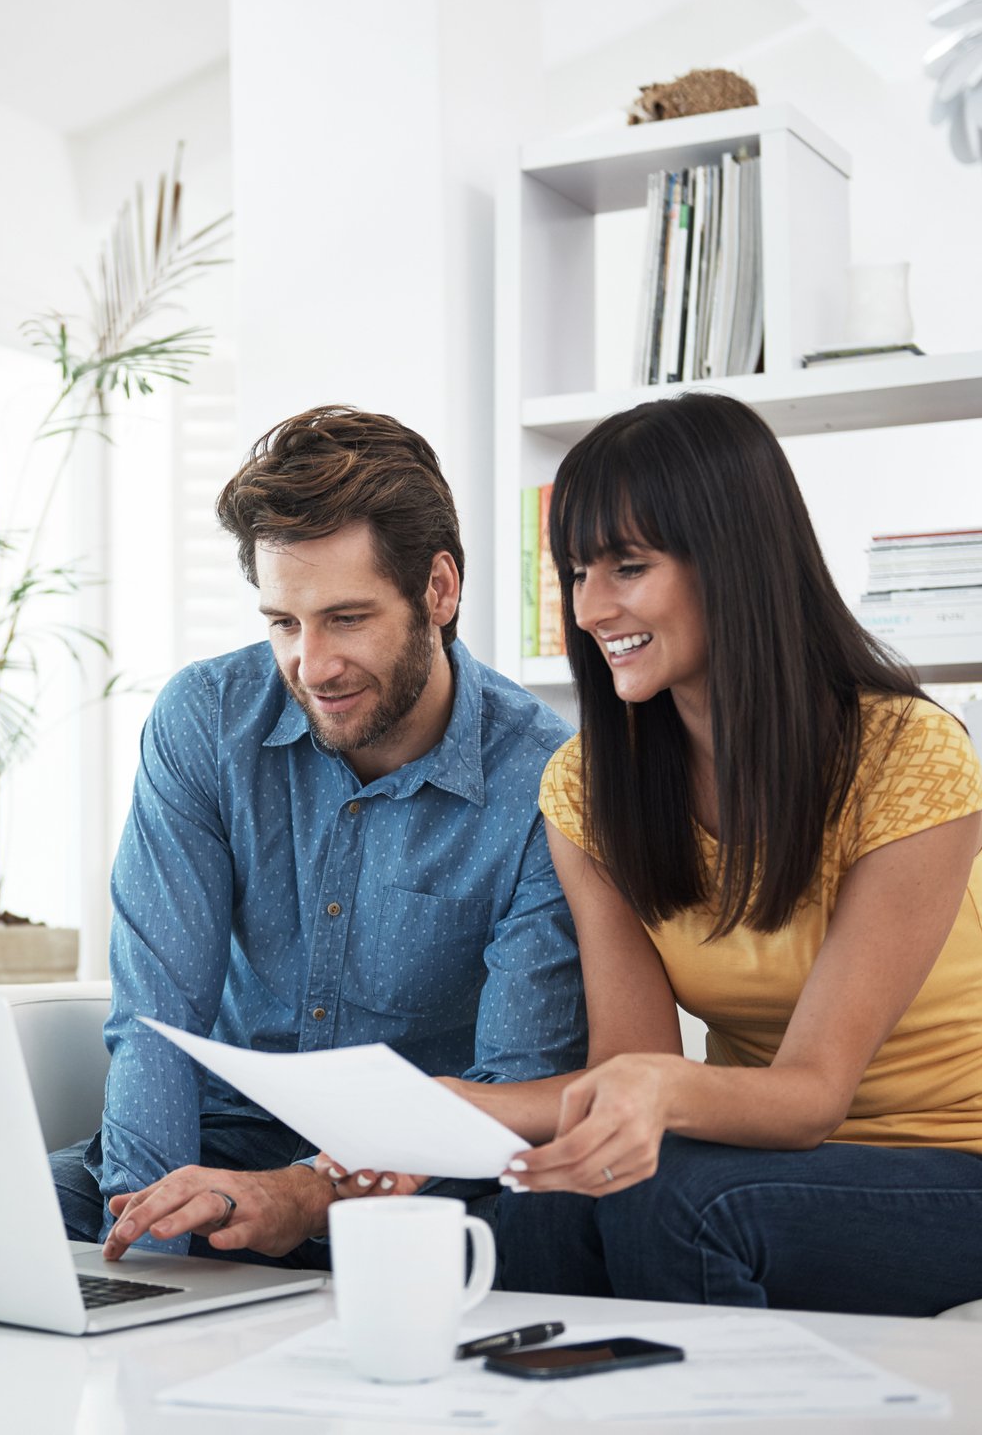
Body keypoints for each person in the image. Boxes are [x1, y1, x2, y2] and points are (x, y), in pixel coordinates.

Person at [348, 392, 982, 1315]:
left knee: (673, 1207)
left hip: (974, 1171)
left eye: (627, 567)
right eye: (577, 571)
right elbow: (630, 1065)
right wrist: (443, 1108)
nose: (589, 607)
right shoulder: (586, 787)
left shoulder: (905, 754)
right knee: (530, 1209)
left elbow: (811, 1095)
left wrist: (615, 1098)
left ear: (734, 563)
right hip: (764, 1162)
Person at [48, 404, 585, 1267]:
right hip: (211, 1149)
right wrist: (147, 1243)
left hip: (414, 1185)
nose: (311, 665)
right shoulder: (206, 722)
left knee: (537, 1235)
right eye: (282, 623)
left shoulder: (544, 783)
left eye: (346, 618)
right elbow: (155, 1017)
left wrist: (306, 1193)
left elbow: (511, 1083)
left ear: (438, 591)